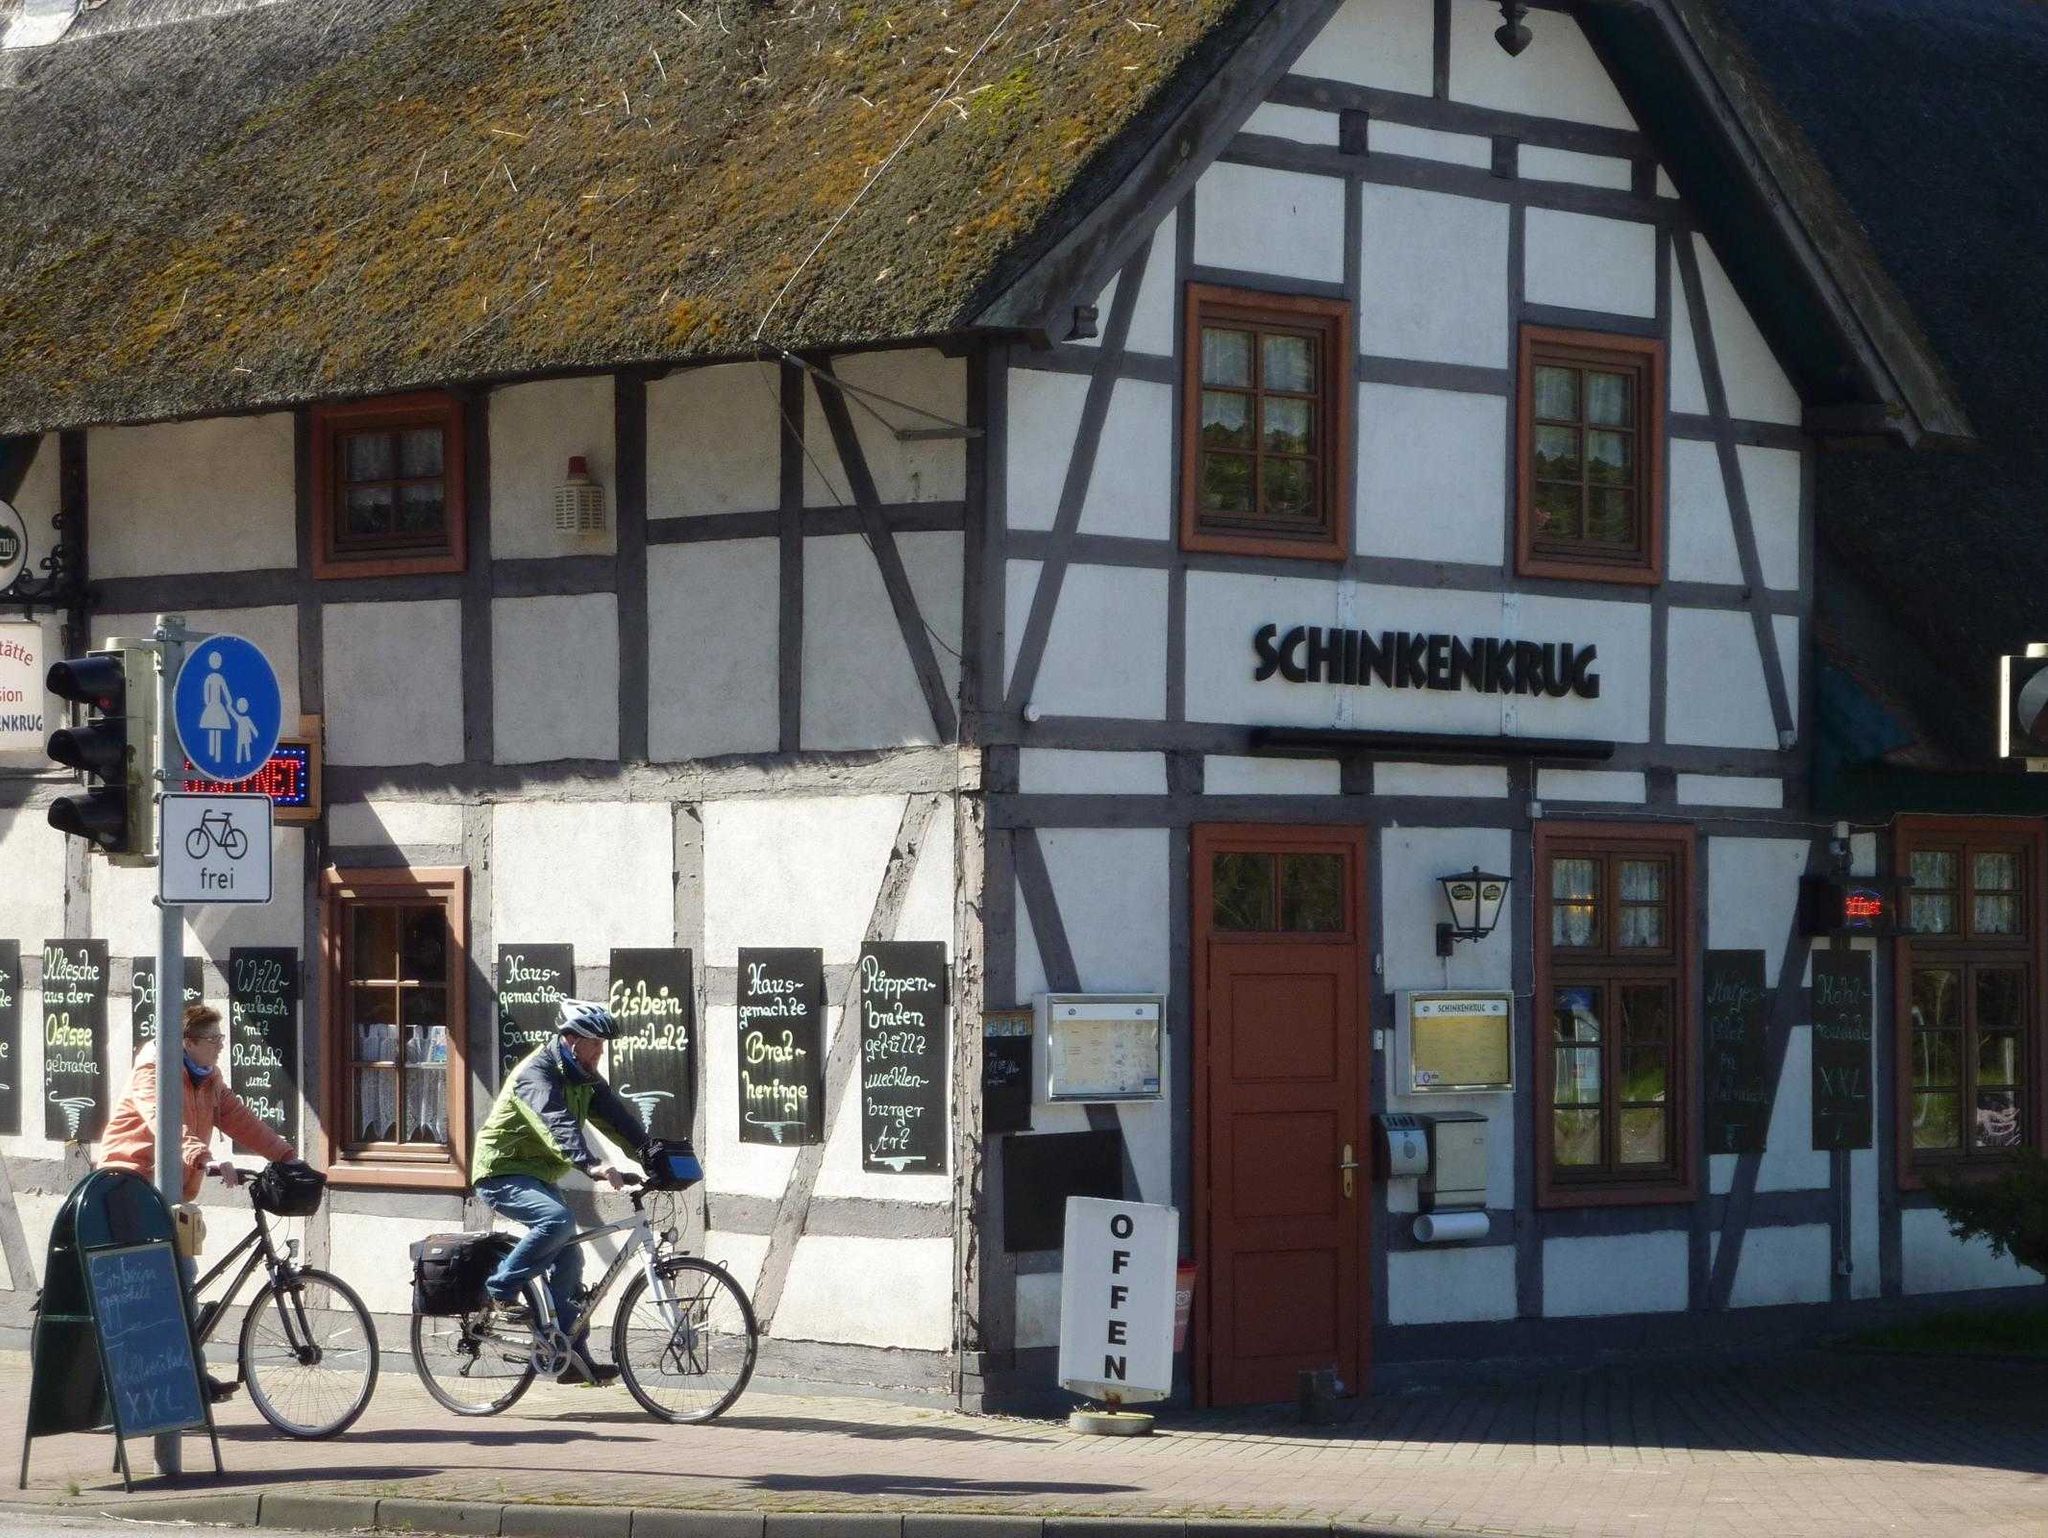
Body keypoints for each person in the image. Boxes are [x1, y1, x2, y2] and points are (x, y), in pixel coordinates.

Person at [97, 1002, 295, 1399]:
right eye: (213, 1039)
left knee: (181, 1281)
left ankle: (183, 1370)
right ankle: (179, 1376)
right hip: (131, 1183)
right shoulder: (153, 1072)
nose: (221, 1046)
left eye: (223, 1038)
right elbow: (166, 1123)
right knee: (176, 1279)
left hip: (170, 1192)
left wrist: (288, 1156)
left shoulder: (209, 1079)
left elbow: (239, 1119)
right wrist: (204, 1157)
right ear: (188, 1042)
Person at [471, 999, 648, 1386]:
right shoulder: (536, 1074)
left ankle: (569, 1355)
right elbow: (556, 1125)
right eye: (595, 1045)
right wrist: (592, 1164)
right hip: (501, 1171)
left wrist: (654, 1155)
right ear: (571, 1041)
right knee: (558, 1220)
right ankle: (500, 1289)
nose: (600, 1053)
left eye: (602, 1046)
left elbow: (618, 1119)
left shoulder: (583, 1075)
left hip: (538, 1175)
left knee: (570, 1257)